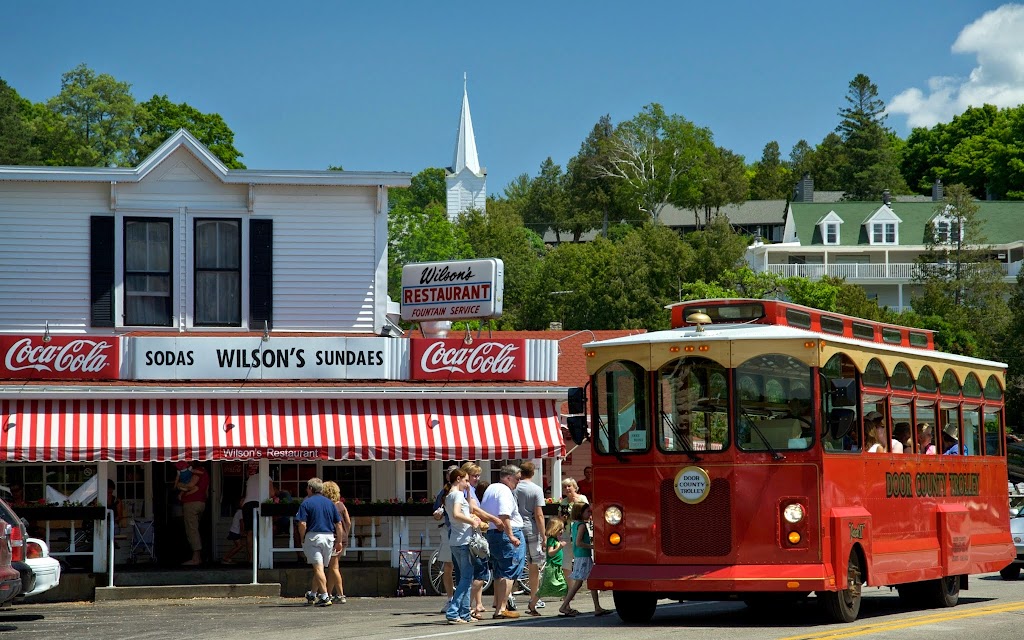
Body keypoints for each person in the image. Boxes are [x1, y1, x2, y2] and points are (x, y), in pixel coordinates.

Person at [480, 464, 524, 620]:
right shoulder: (505, 491)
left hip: (492, 533)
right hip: (506, 533)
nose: (519, 482)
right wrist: (511, 536)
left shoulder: (491, 488)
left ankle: (498, 606)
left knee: (499, 572)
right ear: (509, 478)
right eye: (517, 479)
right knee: (509, 571)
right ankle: (502, 608)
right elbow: (504, 515)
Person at [444, 467, 484, 624]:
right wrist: (472, 521)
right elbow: (456, 514)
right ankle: (453, 612)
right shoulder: (457, 494)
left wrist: (467, 492)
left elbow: (467, 509)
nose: (468, 484)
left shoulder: (449, 495)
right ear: (458, 479)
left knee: (465, 578)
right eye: (466, 480)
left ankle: (464, 613)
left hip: (455, 540)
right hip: (464, 541)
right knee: (466, 579)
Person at [296, 477, 344, 607]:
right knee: (321, 567)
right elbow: (339, 524)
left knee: (318, 568)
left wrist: (302, 537)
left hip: (314, 536)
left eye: (307, 488)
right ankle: (312, 593)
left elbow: (302, 523)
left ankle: (324, 596)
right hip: (329, 537)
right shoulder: (330, 503)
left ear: (310, 489)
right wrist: (339, 541)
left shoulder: (306, 503)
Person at [560, 502, 612, 617]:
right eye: (587, 512)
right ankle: (564, 606)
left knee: (590, 581)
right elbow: (579, 542)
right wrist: (593, 546)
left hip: (579, 555)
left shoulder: (575, 524)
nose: (590, 514)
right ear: (580, 513)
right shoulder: (582, 526)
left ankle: (597, 607)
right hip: (584, 556)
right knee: (579, 583)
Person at [462, 463, 500, 619]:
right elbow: (473, 510)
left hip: (473, 534)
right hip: (472, 536)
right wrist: (492, 519)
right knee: (479, 573)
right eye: (474, 475)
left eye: (478, 475)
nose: (477, 478)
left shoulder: (470, 490)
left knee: (473, 574)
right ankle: (464, 608)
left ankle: (473, 607)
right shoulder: (466, 491)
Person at [514, 461, 546, 616]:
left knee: (514, 562)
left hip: (515, 526)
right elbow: (539, 515)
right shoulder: (536, 489)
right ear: (533, 473)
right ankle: (534, 596)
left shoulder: (514, 488)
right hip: (531, 528)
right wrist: (544, 535)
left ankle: (507, 596)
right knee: (534, 564)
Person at [432, 465, 460, 611]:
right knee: (448, 566)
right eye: (450, 474)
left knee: (463, 567)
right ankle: (450, 599)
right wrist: (438, 514)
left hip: (463, 530)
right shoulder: (443, 493)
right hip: (448, 529)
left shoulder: (464, 490)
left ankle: (463, 600)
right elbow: (437, 514)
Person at [321, 480, 350, 604]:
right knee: (333, 567)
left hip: (333, 538)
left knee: (334, 567)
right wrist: (346, 533)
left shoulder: (328, 506)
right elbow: (348, 522)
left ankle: (340, 594)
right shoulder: (341, 505)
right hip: (342, 538)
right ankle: (328, 592)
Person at [240, 462, 276, 560]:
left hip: (247, 505)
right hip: (258, 504)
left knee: (250, 532)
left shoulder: (250, 478)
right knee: (263, 530)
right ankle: (262, 558)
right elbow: (272, 493)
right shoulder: (267, 477)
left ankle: (251, 558)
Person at [176, 461, 209, 565]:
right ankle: (198, 557)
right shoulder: (205, 473)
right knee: (195, 529)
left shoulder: (197, 471)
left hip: (192, 503)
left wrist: (179, 485)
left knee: (192, 530)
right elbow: (206, 492)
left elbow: (190, 485)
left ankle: (196, 558)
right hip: (201, 502)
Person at [536, 517, 568, 600]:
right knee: (563, 586)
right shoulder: (551, 540)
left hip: (557, 566)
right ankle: (566, 606)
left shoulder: (555, 539)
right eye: (560, 529)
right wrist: (559, 547)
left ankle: (566, 605)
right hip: (552, 566)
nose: (562, 531)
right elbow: (550, 553)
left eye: (562, 529)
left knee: (563, 586)